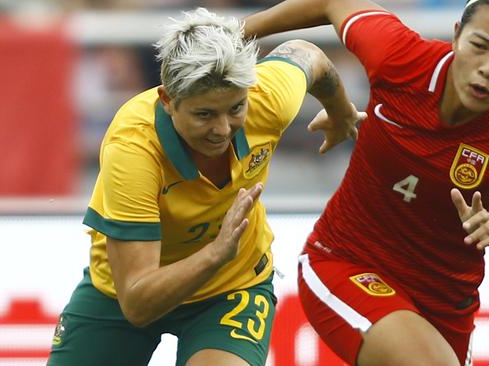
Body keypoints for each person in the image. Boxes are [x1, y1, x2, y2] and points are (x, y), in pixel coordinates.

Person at [47, 7, 364, 366]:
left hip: (231, 287)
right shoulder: (132, 150)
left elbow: (310, 57)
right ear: (167, 100)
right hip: (124, 294)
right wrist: (215, 253)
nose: (223, 129)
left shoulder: (267, 98)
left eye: (235, 108)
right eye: (204, 115)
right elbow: (136, 302)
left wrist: (340, 113)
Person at [243, 0, 489, 365]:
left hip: (446, 308)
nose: (488, 68)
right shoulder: (401, 57)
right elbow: (332, 3)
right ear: (456, 35)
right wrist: (233, 32)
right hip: (345, 261)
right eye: (479, 45)